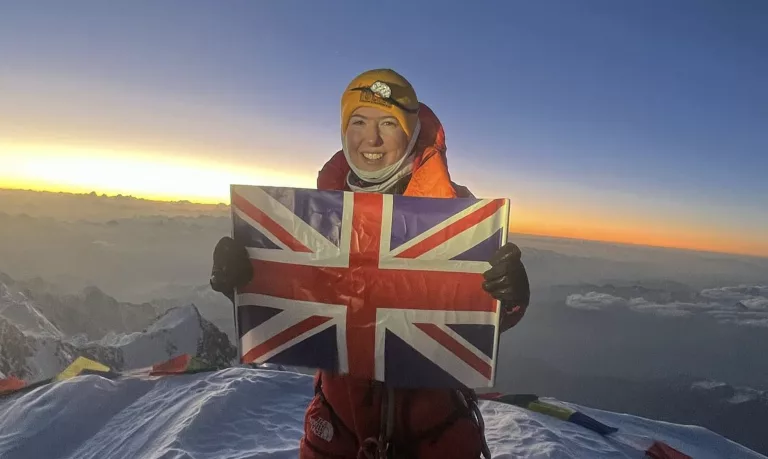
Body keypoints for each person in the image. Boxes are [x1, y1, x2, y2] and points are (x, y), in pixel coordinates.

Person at [210, 69, 531, 459]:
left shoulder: (459, 218)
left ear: (411, 133)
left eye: (388, 123)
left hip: (435, 438)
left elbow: (476, 322)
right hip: (336, 432)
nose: (371, 138)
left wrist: (509, 297)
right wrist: (246, 282)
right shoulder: (309, 219)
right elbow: (302, 299)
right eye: (358, 122)